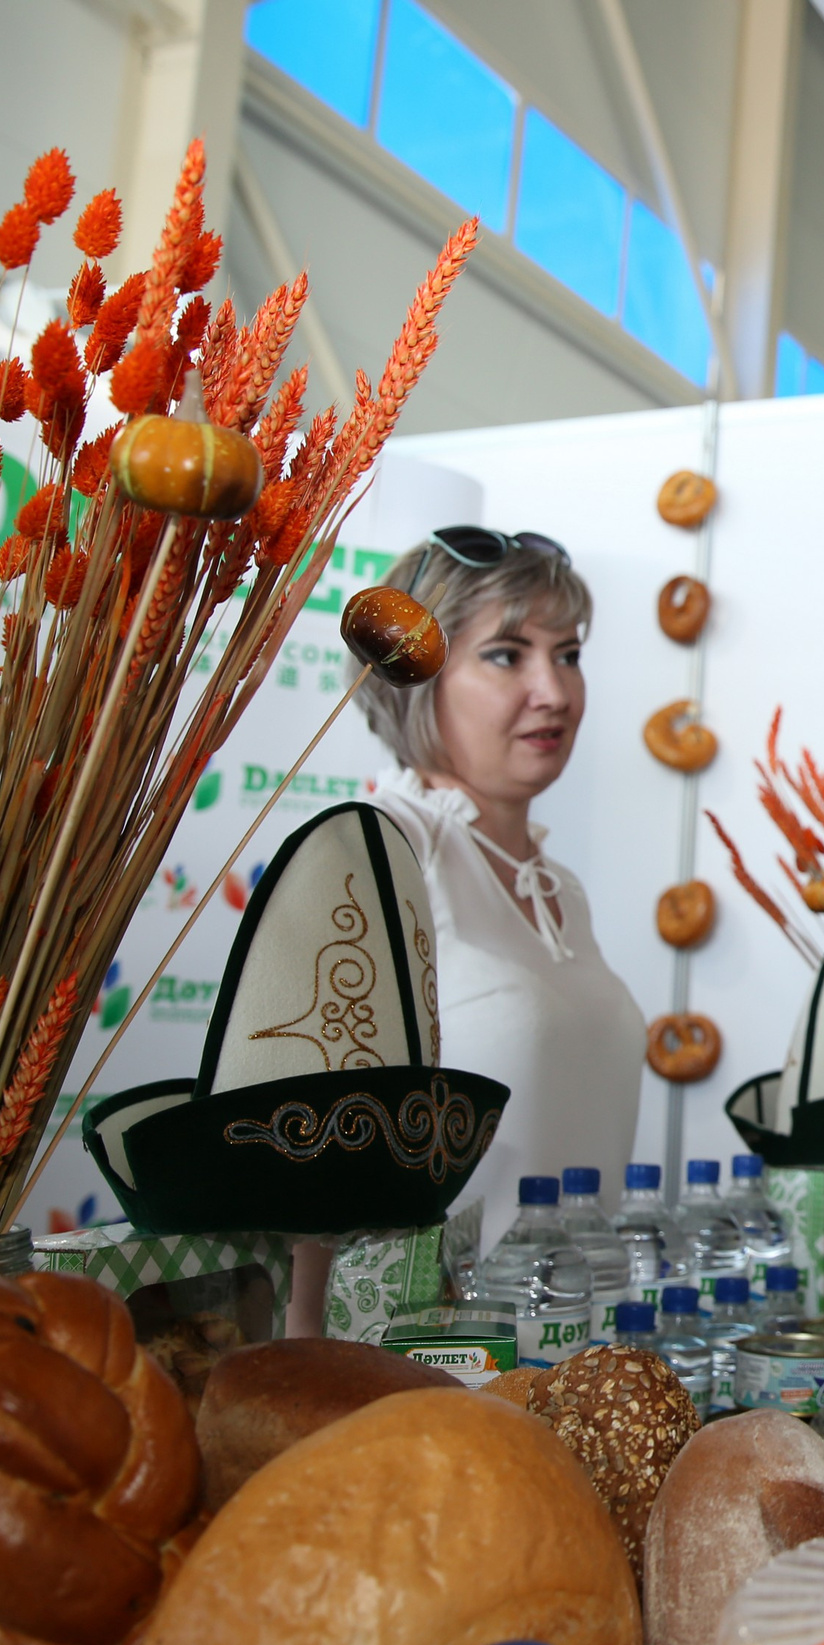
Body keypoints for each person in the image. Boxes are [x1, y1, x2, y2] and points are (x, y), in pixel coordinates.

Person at [359, 527, 647, 1246]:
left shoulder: (561, 891)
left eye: (569, 655)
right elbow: (308, 1146)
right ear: (415, 672)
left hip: (573, 1337)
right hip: (432, 1351)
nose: (553, 692)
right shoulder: (383, 844)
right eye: (506, 655)